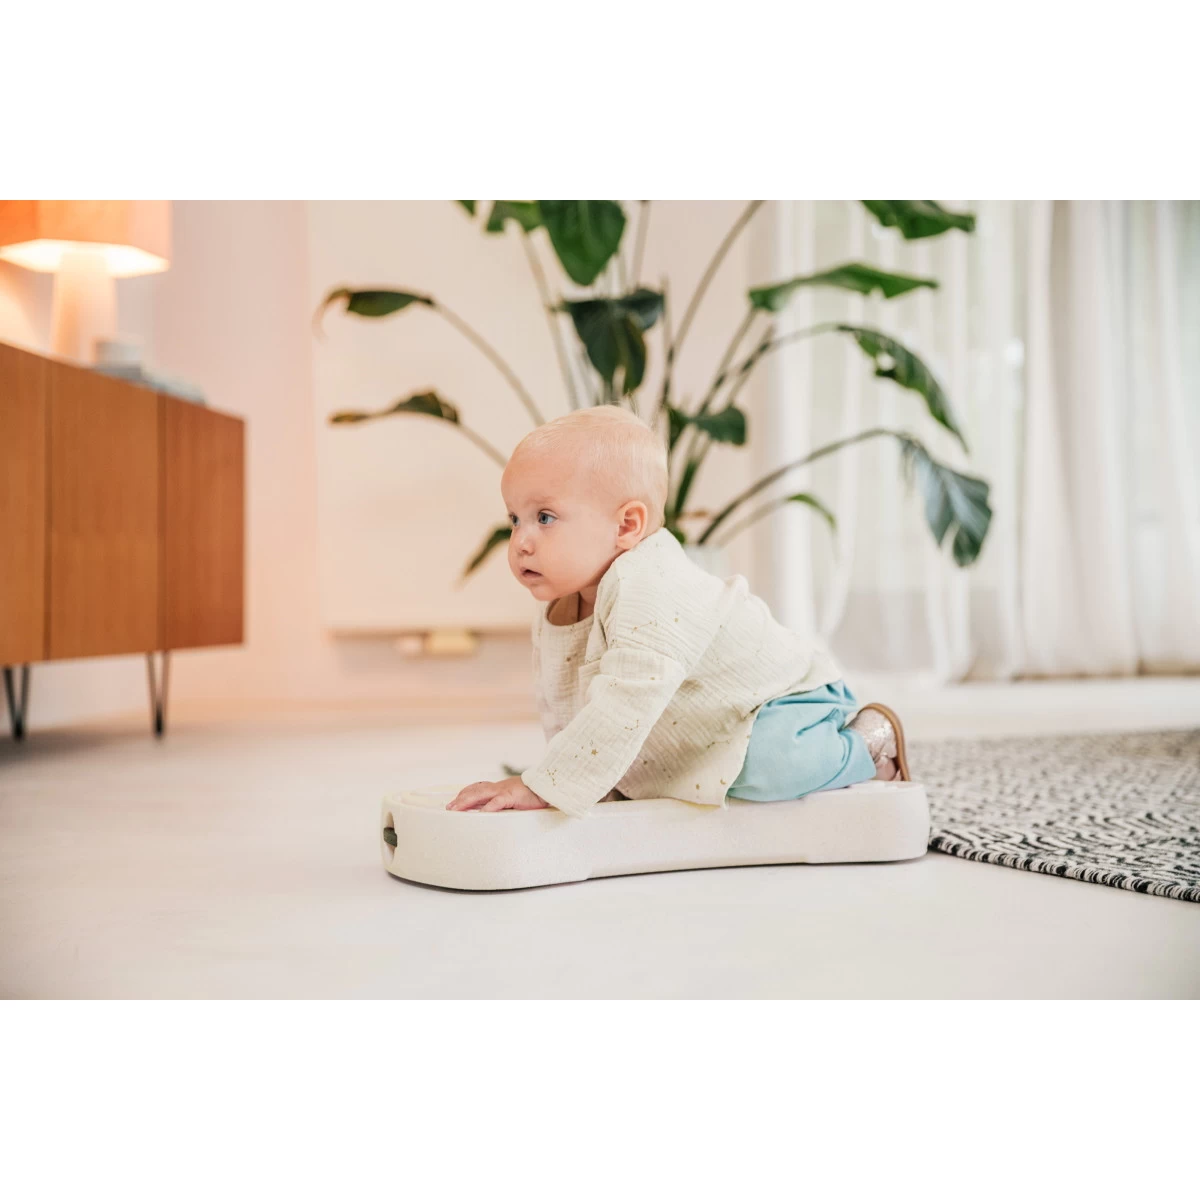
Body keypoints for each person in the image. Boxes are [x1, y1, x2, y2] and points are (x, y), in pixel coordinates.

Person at [446, 406, 910, 816]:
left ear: (627, 525)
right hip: (706, 723)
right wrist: (565, 784)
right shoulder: (561, 604)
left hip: (781, 703)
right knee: (674, 777)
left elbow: (629, 695)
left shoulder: (647, 582)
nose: (521, 541)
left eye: (544, 517)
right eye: (515, 519)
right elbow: (567, 707)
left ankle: (870, 744)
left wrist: (547, 785)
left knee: (768, 765)